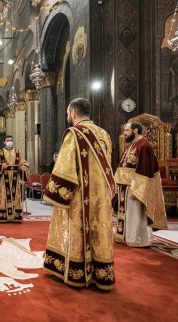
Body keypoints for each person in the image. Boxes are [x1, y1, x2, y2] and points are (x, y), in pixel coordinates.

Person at [43, 98, 116, 290]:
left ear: (73, 112)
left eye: (68, 113)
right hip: (101, 195)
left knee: (75, 231)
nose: (69, 116)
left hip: (80, 195)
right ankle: (100, 275)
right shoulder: (104, 134)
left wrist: (55, 194)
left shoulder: (74, 134)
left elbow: (65, 168)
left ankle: (76, 272)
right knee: (99, 232)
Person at [113, 122, 168, 247]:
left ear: (135, 130)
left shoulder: (144, 146)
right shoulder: (132, 144)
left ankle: (138, 239)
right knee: (128, 214)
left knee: (136, 213)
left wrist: (137, 188)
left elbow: (145, 170)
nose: (124, 133)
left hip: (135, 187)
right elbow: (123, 165)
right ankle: (127, 237)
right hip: (124, 186)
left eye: (127, 130)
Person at [0, 135, 29, 223]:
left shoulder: (18, 152)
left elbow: (23, 162)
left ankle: (16, 217)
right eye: (7, 140)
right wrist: (1, 165)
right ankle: (3, 217)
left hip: (15, 178)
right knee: (4, 196)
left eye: (11, 140)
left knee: (16, 196)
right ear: (4, 142)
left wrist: (24, 166)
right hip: (3, 178)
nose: (9, 142)